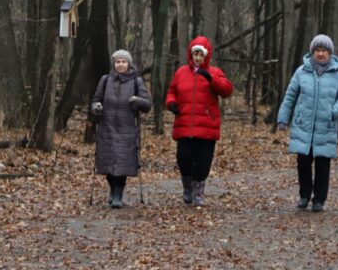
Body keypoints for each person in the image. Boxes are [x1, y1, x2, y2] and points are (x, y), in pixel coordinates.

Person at [277, 35, 338, 212]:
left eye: (324, 50)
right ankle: (304, 195)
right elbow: (290, 96)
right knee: (303, 163)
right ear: (312, 52)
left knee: (323, 165)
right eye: (318, 50)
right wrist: (282, 118)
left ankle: (319, 199)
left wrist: (335, 110)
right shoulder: (301, 72)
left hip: (326, 126)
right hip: (304, 126)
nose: (321, 54)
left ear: (330, 53)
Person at [165, 36, 233, 206]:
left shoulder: (215, 72)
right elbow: (172, 91)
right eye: (195, 54)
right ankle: (187, 186)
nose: (198, 58)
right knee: (183, 158)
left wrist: (210, 78)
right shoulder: (181, 72)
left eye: (201, 55)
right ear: (191, 54)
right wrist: (171, 103)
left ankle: (199, 192)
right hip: (185, 124)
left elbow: (227, 90)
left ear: (206, 56)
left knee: (203, 161)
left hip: (207, 126)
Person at [91, 49, 152, 208]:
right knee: (108, 162)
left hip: (127, 128)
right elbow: (96, 100)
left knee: (122, 163)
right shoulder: (105, 80)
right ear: (114, 64)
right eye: (118, 62)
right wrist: (96, 107)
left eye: (123, 62)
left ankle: (118, 194)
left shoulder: (136, 82)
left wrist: (138, 101)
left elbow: (147, 105)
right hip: (107, 126)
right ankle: (112, 189)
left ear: (129, 64)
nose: (120, 64)